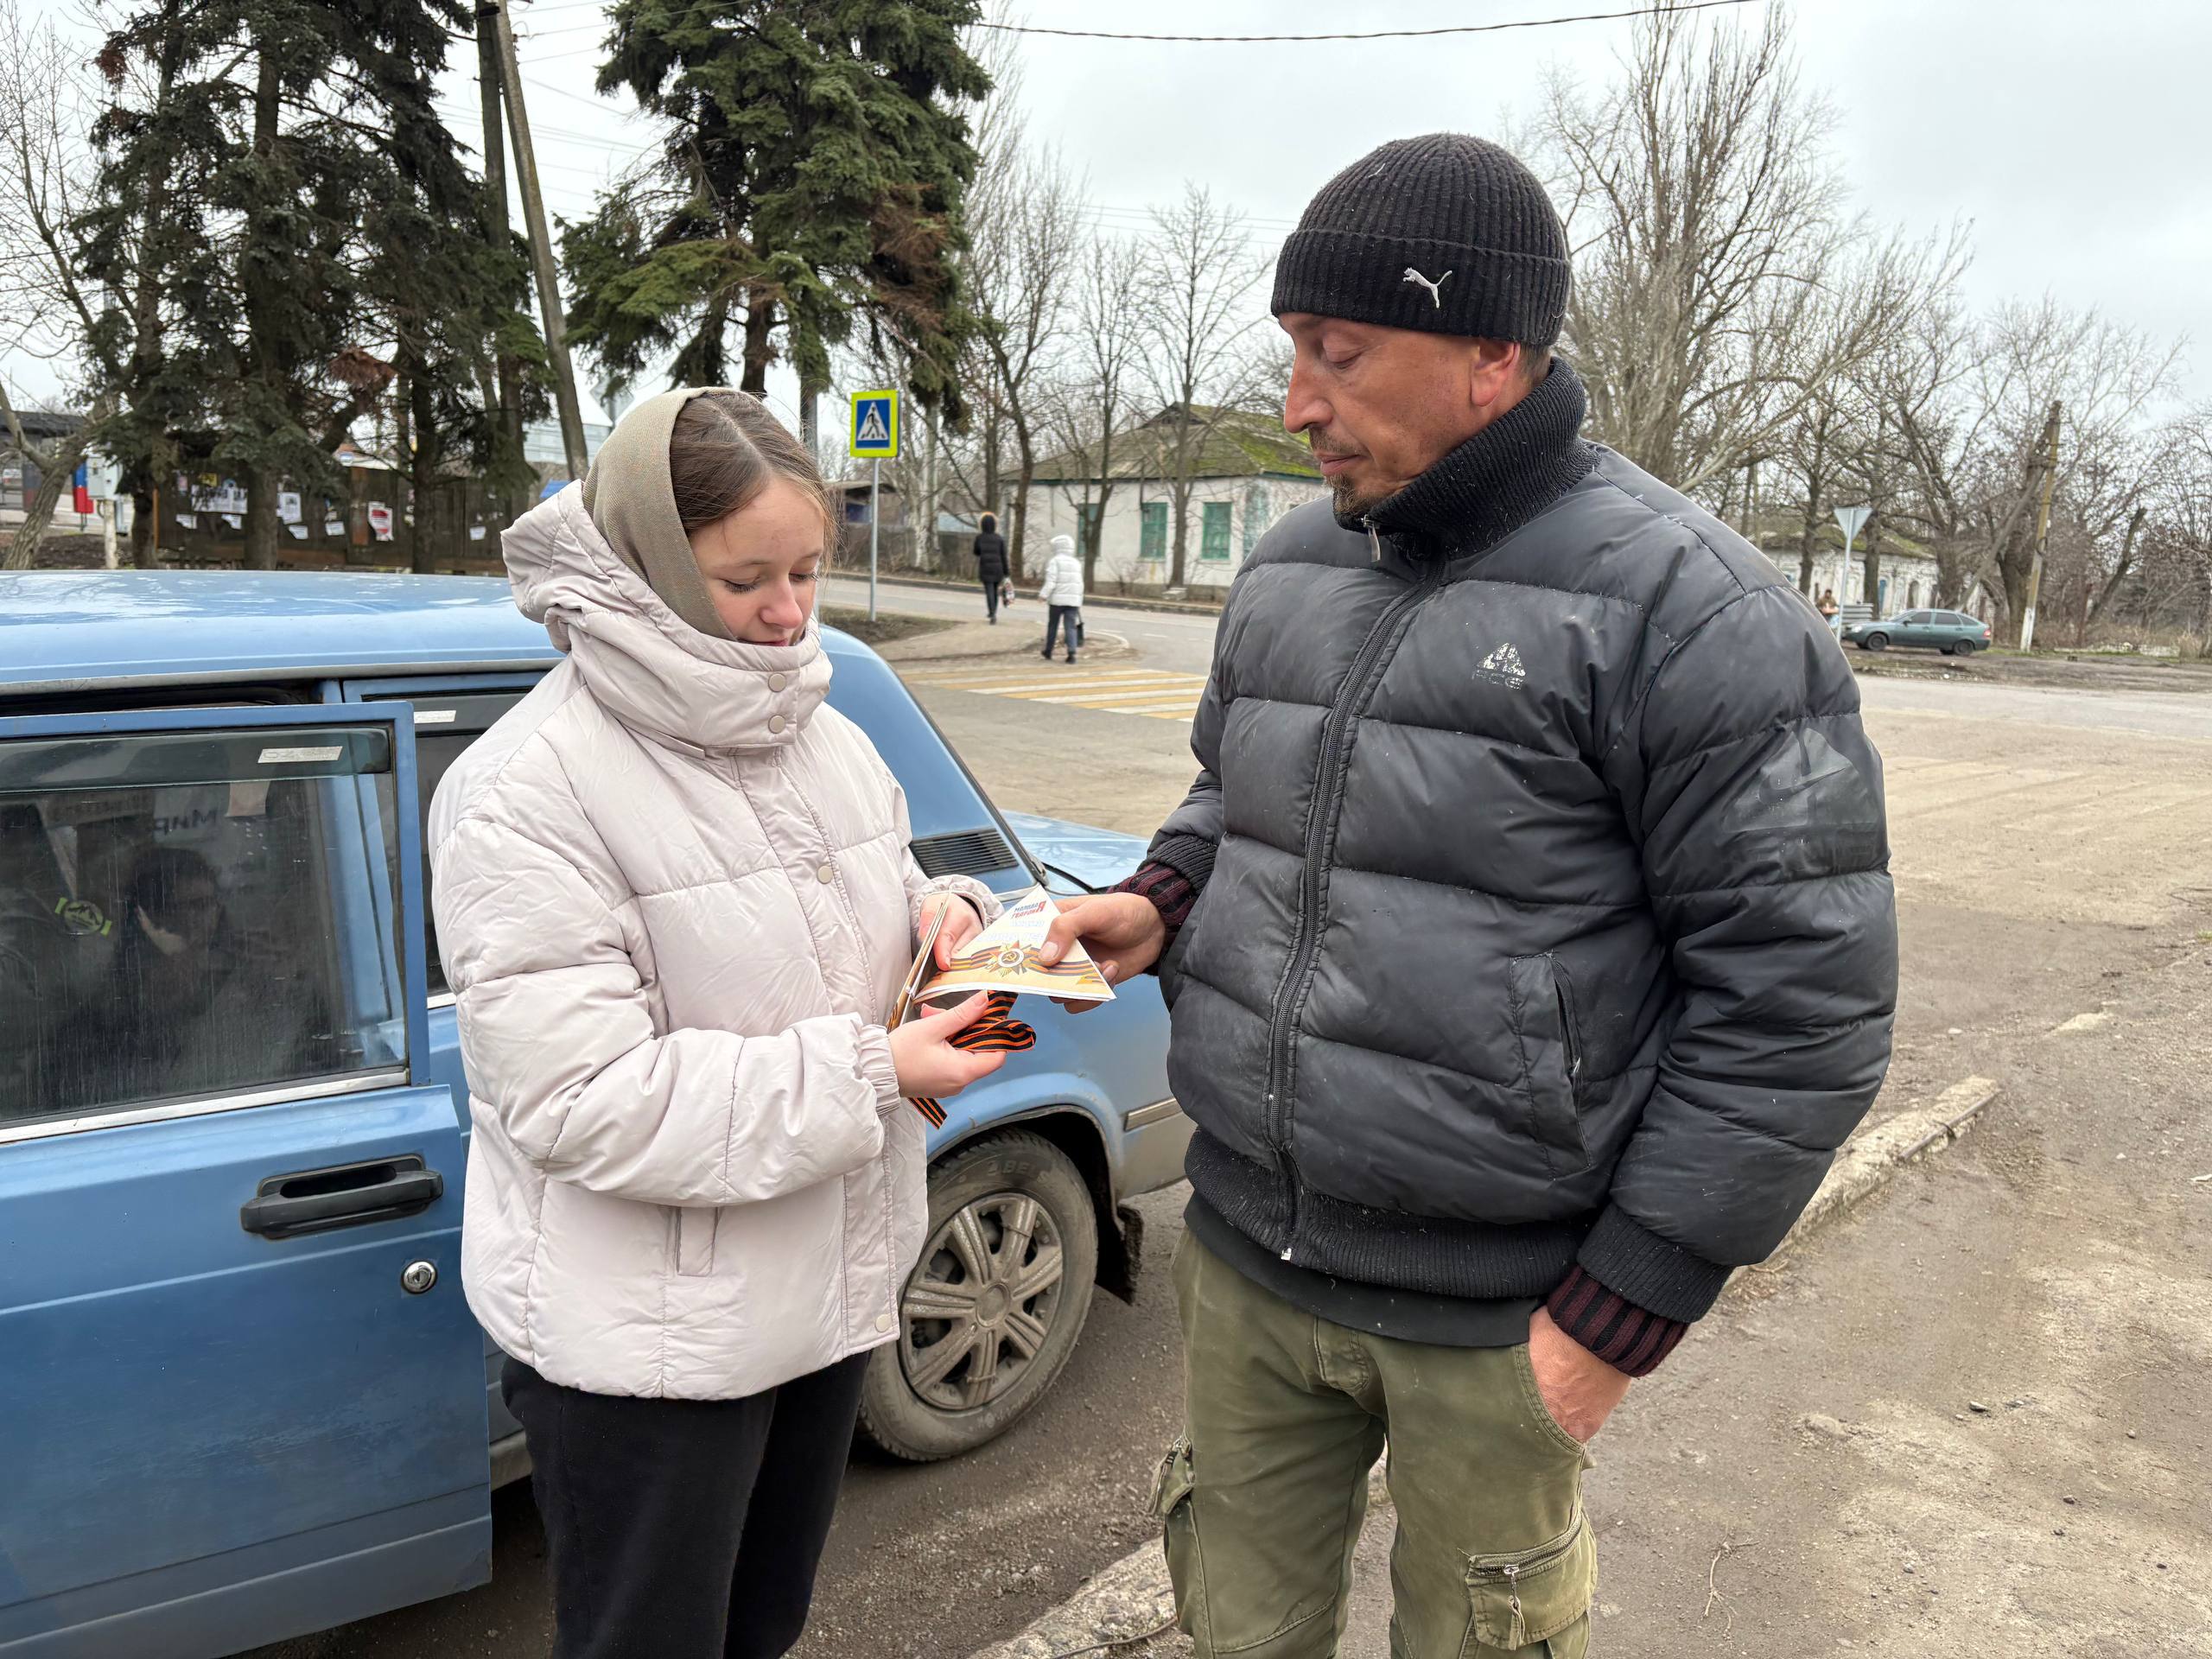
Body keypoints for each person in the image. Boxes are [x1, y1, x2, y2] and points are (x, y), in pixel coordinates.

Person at [1041, 134, 1897, 1657]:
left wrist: (1619, 1316)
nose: (1297, 402)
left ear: (1493, 353)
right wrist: (1164, 896)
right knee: (1232, 1628)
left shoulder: (1698, 616)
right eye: (1293, 349)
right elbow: (1239, 790)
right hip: (1243, 1263)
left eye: (1340, 353)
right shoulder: (1290, 566)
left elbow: (1802, 1004)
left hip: (1506, 1318)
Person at [429, 388, 1010, 1659]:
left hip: (823, 1295)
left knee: (763, 1627)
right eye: (747, 579)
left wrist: (947, 921)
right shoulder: (525, 794)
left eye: (807, 571)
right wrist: (872, 1071)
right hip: (651, 1352)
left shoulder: (823, 733)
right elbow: (581, 1101)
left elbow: (875, 890)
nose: (790, 611)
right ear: (647, 565)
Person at [1038, 532, 1084, 665]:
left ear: (1057, 547)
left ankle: (1048, 651)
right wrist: (1078, 599)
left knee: (1053, 625)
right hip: (1073, 602)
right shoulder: (1076, 563)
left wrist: (1043, 595)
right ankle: (1071, 654)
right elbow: (1080, 583)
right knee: (1070, 627)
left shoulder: (1055, 561)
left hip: (1057, 601)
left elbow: (1051, 581)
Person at [974, 512, 1008, 622]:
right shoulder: (999, 538)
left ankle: (992, 613)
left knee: (989, 590)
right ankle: (993, 613)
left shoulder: (979, 538)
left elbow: (976, 552)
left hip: (985, 567)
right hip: (998, 568)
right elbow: (1003, 556)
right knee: (995, 591)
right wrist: (1007, 572)